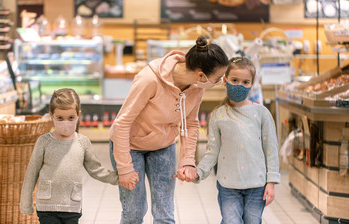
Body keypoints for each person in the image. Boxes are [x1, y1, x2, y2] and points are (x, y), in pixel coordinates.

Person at [108, 36, 229, 223]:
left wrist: (188, 160)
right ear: (200, 75)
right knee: (134, 211)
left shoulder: (197, 87)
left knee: (165, 212)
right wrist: (124, 168)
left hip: (164, 146)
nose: (220, 82)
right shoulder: (149, 79)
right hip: (130, 146)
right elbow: (122, 123)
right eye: (217, 78)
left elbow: (190, 123)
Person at [193, 57, 280, 224]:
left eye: (246, 82)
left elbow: (271, 149)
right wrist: (199, 172)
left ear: (252, 85)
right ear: (225, 81)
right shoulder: (218, 114)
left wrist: (271, 182)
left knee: (253, 221)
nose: (240, 85)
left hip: (257, 184)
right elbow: (212, 151)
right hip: (228, 184)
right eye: (234, 80)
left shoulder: (262, 113)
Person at [20, 88, 126, 224]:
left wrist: (119, 177)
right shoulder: (44, 142)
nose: (66, 122)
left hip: (72, 206)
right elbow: (31, 173)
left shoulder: (82, 142)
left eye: (71, 118)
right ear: (51, 115)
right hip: (47, 206)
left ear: (78, 115)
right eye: (60, 118)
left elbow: (96, 170)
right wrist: (26, 204)